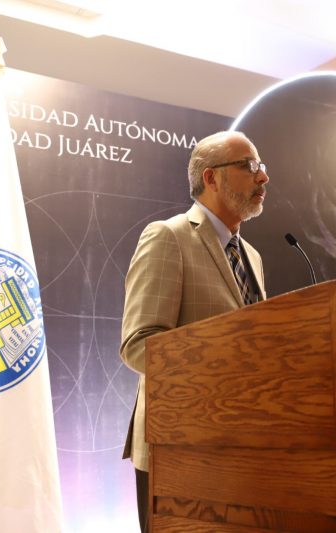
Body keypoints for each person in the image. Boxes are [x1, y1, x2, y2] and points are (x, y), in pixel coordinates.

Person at [119, 130, 269, 532]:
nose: (263, 177)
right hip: (179, 448)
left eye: (262, 167)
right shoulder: (168, 236)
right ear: (211, 177)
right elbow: (138, 344)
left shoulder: (251, 256)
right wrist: (226, 364)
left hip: (242, 447)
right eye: (249, 166)